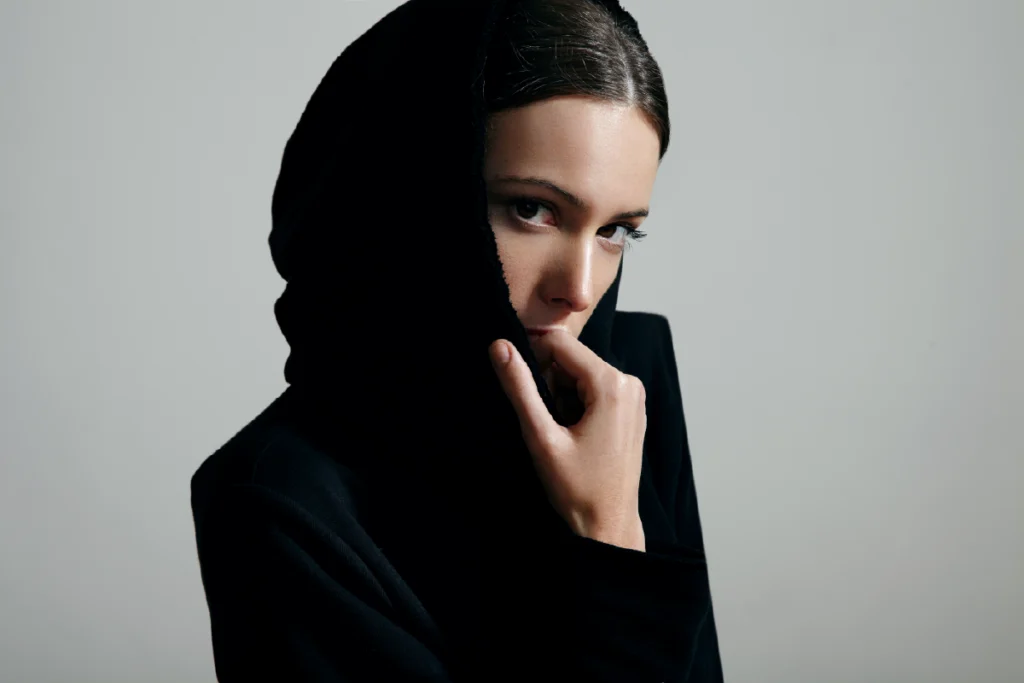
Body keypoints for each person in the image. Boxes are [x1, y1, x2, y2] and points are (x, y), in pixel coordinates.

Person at [190, 0, 723, 680]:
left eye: (615, 230)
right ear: (414, 196)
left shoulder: (624, 397)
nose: (580, 289)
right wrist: (609, 543)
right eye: (532, 209)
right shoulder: (282, 499)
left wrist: (613, 521)